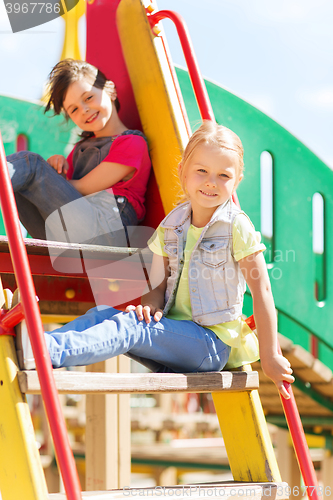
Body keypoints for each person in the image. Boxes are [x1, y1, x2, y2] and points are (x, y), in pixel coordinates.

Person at [15, 121, 294, 399]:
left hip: (210, 345)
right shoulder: (172, 224)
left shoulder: (235, 226)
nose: (211, 181)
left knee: (132, 328)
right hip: (174, 341)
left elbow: (262, 291)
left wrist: (270, 356)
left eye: (223, 175)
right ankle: (40, 344)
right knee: (105, 314)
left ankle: (43, 351)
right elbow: (157, 283)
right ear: (183, 171)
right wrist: (150, 306)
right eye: (201, 171)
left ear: (236, 182)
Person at [6, 59, 151, 245]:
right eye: (74, 109)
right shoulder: (81, 149)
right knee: (19, 184)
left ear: (110, 91)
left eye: (89, 97)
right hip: (70, 233)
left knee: (30, 164)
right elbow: (63, 196)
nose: (84, 110)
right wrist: (55, 172)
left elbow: (83, 188)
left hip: (105, 233)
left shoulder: (132, 143)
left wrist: (43, 176)